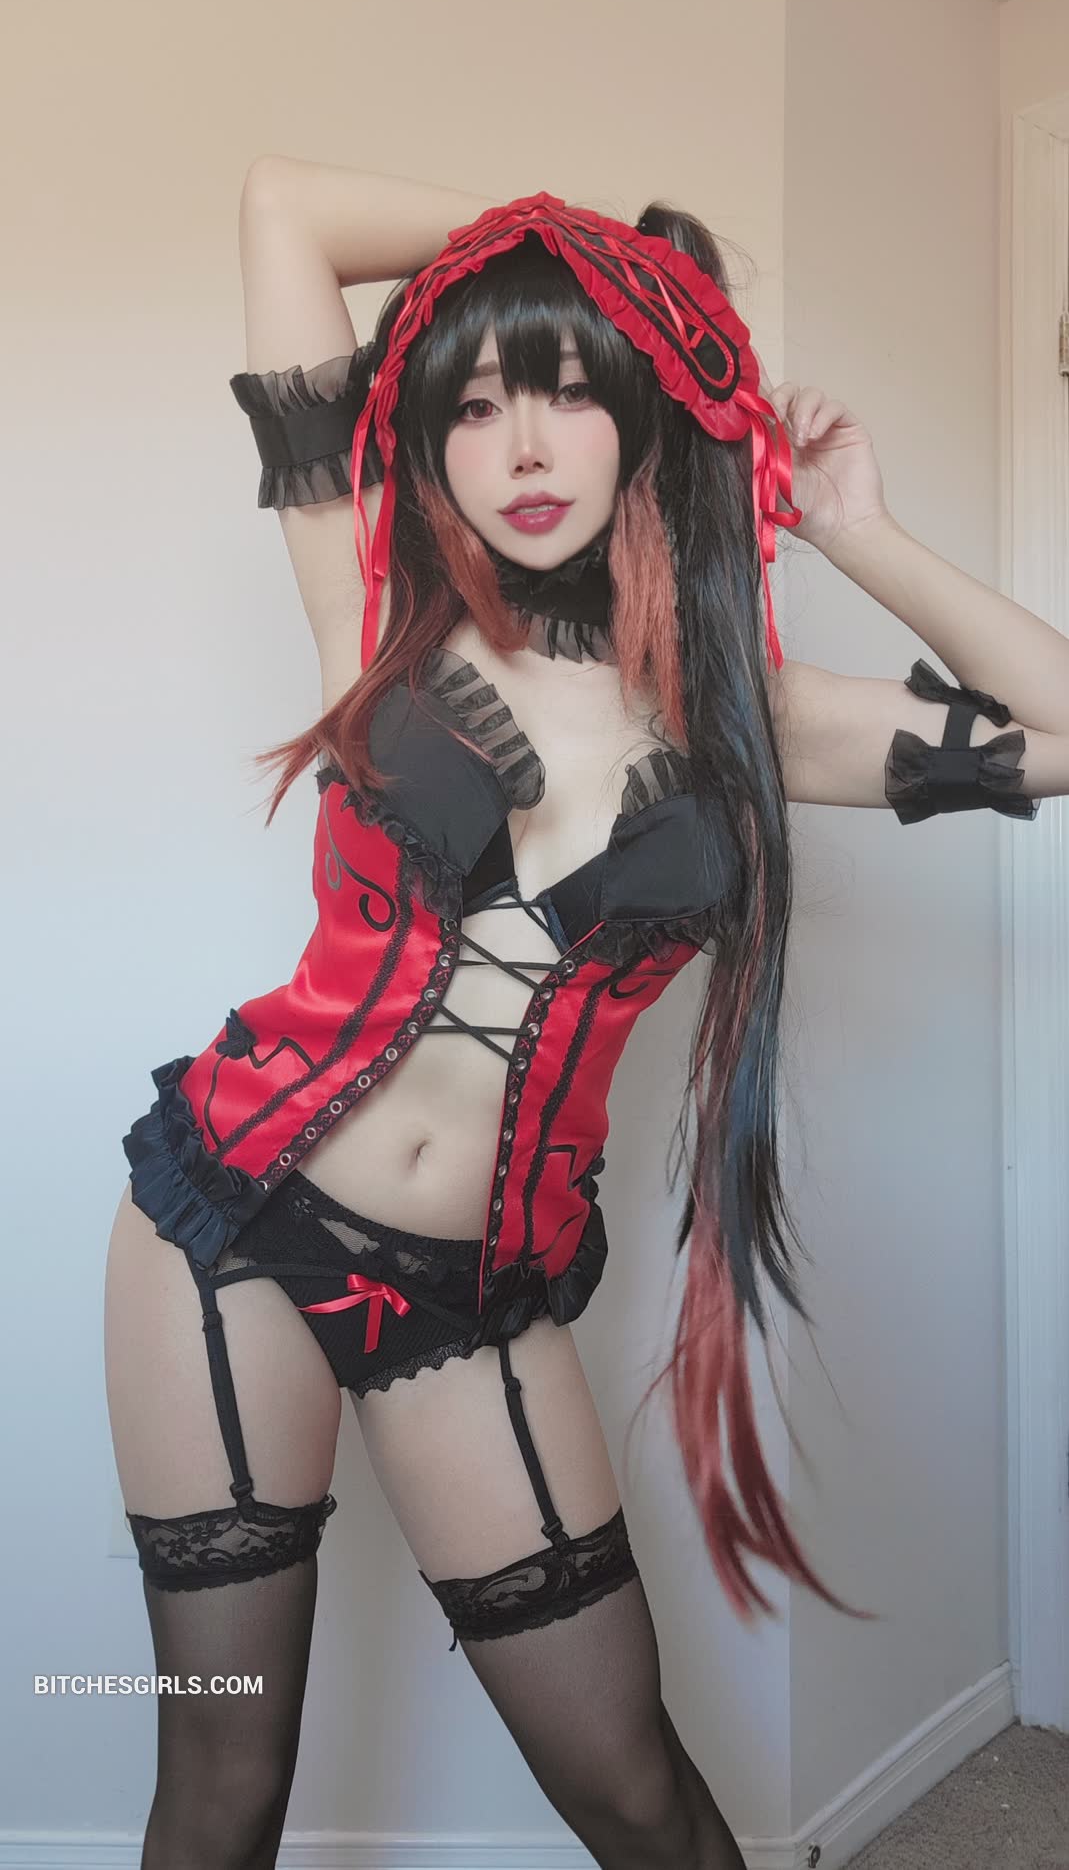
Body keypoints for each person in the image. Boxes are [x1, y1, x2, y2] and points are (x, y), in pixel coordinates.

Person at [104, 164, 1067, 1869]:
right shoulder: (371, 599)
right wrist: (593, 263)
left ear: (644, 409)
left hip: (470, 1294)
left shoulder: (752, 718)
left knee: (632, 1791)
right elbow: (283, 211)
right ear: (429, 438)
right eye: (475, 404)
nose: (524, 446)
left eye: (568, 385)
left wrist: (855, 530)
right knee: (221, 1781)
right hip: (227, 1222)